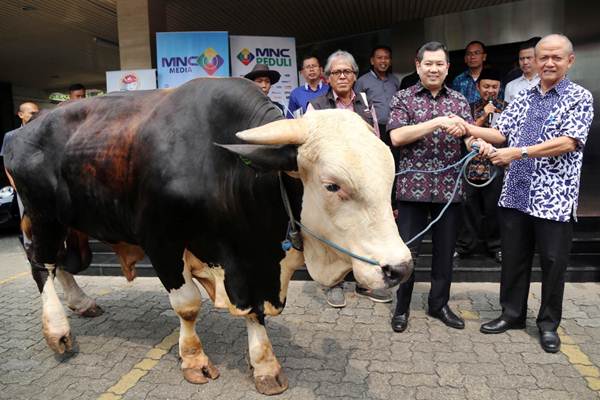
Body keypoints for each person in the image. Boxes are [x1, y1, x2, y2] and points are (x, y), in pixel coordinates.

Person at [472, 34, 594, 353]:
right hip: (516, 193)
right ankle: (511, 314)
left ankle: (548, 324)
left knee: (553, 263)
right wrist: (468, 127)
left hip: (554, 198)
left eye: (556, 57)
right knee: (513, 258)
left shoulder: (579, 97)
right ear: (534, 61)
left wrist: (518, 153)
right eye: (544, 58)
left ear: (569, 61)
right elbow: (501, 133)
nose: (549, 63)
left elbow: (568, 141)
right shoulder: (524, 96)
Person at [387, 41, 475, 333]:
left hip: (450, 190)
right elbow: (397, 136)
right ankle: (401, 307)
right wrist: (437, 121)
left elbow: (469, 137)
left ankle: (439, 305)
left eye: (440, 64)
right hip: (412, 190)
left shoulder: (460, 102)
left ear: (448, 67)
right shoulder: (403, 98)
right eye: (429, 64)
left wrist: (477, 142)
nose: (434, 69)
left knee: (444, 252)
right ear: (418, 66)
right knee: (407, 253)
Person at [308, 50, 389, 307]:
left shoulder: (365, 103)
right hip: (333, 187)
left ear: (355, 76)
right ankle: (334, 284)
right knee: (336, 233)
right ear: (327, 77)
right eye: (336, 72)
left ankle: (364, 282)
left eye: (347, 72)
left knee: (362, 231)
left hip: (361, 186)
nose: (342, 76)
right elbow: (311, 152)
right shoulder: (316, 106)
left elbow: (375, 141)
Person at [455, 68, 507, 262]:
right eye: (486, 86)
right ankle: (465, 247)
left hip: (497, 166)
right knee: (468, 209)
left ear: (499, 88)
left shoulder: (508, 108)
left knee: (494, 209)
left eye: (494, 87)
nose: (490, 90)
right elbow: (464, 133)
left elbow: (508, 137)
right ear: (478, 87)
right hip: (471, 167)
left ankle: (496, 247)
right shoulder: (468, 108)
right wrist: (483, 116)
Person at [354, 45, 400, 148]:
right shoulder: (362, 81)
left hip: (394, 127)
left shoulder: (395, 80)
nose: (383, 61)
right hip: (374, 129)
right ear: (372, 61)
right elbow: (357, 106)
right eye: (379, 58)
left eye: (386, 58)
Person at [504, 38, 541, 103]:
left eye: (529, 58)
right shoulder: (510, 86)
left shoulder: (547, 82)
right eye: (521, 59)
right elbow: (507, 111)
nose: (525, 62)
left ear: (538, 58)